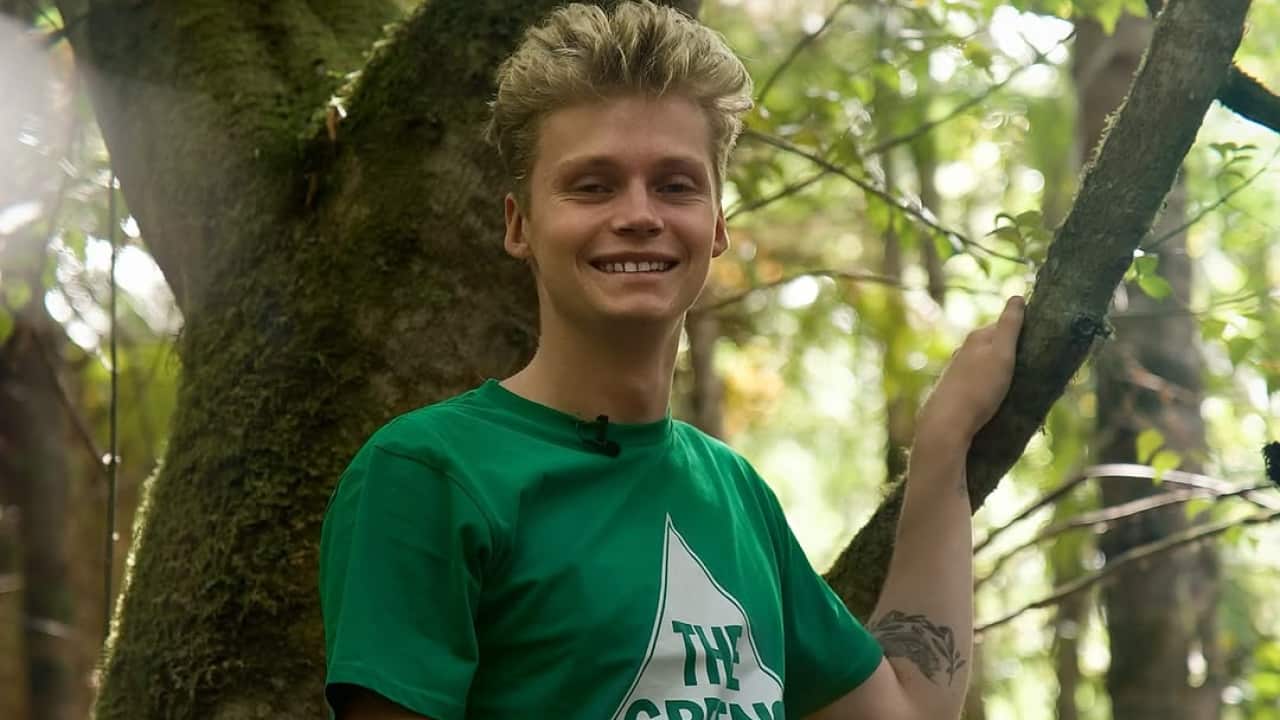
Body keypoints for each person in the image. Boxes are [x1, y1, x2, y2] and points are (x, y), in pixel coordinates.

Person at [318, 2, 1024, 719]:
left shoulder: (736, 493)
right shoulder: (429, 474)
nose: (640, 214)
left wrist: (943, 442)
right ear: (519, 224)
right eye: (592, 184)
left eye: (676, 185)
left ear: (716, 224)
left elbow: (909, 713)